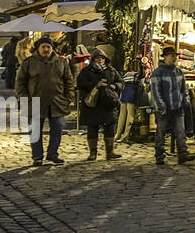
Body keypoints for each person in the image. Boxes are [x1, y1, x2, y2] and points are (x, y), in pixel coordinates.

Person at [14, 36, 76, 166]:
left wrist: (68, 98)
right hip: (35, 101)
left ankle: (52, 153)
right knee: (35, 131)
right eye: (43, 47)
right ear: (38, 48)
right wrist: (25, 99)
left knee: (58, 128)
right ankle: (37, 156)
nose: (46, 49)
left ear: (52, 48)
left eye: (48, 47)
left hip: (57, 101)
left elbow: (69, 81)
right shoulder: (29, 63)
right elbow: (20, 83)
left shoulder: (61, 62)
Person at [149, 46, 195, 166]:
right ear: (165, 57)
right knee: (161, 132)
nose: (174, 58)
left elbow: (183, 88)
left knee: (180, 131)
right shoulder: (157, 73)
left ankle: (182, 154)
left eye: (175, 56)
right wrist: (161, 106)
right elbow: (155, 91)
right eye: (171, 56)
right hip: (163, 109)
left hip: (177, 106)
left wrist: (185, 100)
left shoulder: (178, 71)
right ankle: (159, 156)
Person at [76, 45, 123, 161]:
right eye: (97, 58)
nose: (100, 60)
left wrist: (115, 86)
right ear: (93, 59)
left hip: (108, 104)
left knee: (110, 128)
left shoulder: (111, 70)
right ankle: (93, 153)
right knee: (92, 129)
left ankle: (110, 152)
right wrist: (96, 85)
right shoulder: (86, 71)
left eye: (102, 58)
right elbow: (81, 84)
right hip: (93, 105)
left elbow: (121, 82)